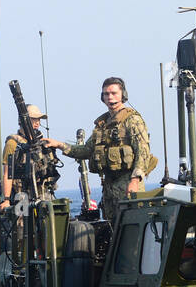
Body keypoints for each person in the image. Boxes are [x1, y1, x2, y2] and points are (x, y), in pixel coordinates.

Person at [44, 77, 154, 228]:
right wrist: (59, 145)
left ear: (123, 95)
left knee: (132, 227)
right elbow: (86, 150)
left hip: (127, 182)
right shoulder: (102, 125)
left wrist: (135, 181)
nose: (110, 97)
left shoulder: (132, 120)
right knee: (112, 228)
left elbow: (143, 151)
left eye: (114, 93)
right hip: (109, 185)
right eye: (106, 94)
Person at [0, 105, 59, 211]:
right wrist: (6, 200)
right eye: (33, 119)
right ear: (23, 121)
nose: (37, 122)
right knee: (22, 225)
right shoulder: (12, 143)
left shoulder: (42, 143)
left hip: (43, 194)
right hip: (21, 195)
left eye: (39, 119)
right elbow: (7, 174)